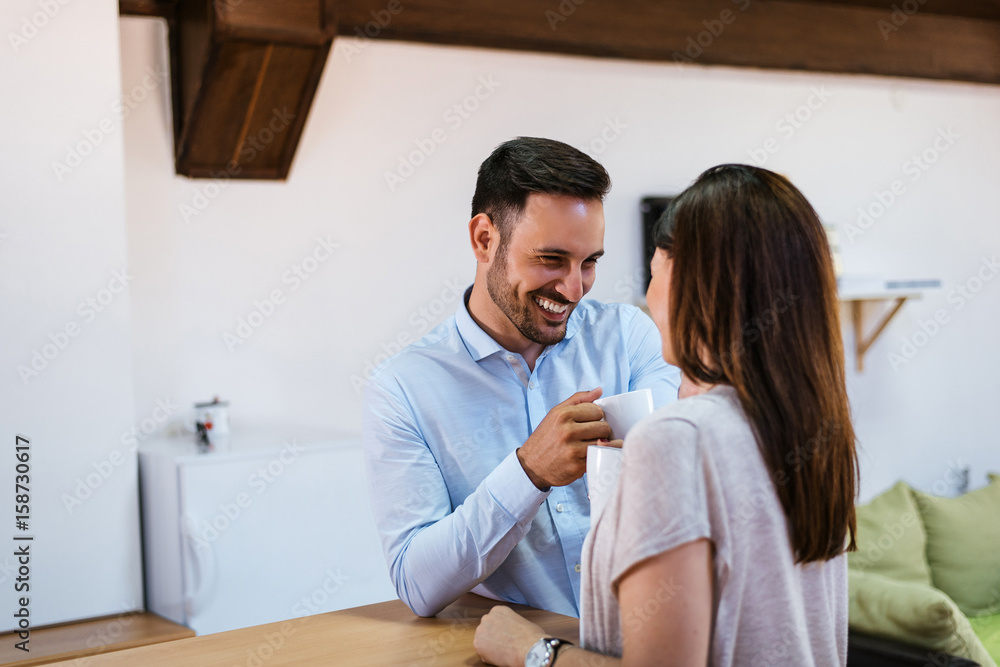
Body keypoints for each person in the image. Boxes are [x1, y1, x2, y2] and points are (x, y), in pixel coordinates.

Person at [473, 164, 859, 666]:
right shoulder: (814, 429)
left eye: (653, 274)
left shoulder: (677, 440)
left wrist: (532, 650)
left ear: (684, 279)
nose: (648, 298)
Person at [362, 137, 681, 618]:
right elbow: (417, 583)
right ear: (484, 239)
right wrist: (528, 472)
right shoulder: (403, 390)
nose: (574, 288)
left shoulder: (629, 336)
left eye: (589, 262)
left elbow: (684, 483)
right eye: (551, 259)